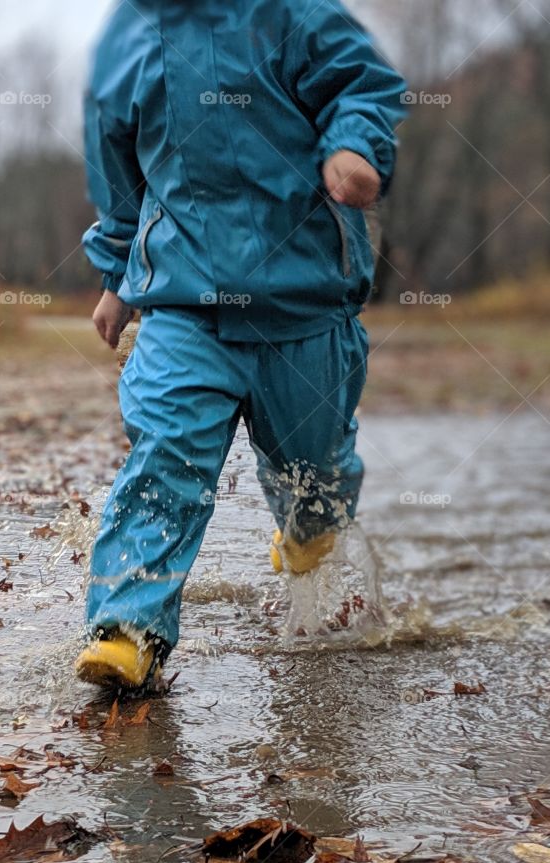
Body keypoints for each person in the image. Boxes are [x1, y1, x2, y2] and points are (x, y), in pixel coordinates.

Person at [76, 0, 408, 689]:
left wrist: (356, 145)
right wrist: (116, 273)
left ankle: (306, 525)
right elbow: (116, 164)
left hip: (304, 300)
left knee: (313, 475)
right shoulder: (129, 34)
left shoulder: (296, 14)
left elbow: (363, 82)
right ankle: (127, 627)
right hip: (183, 302)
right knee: (166, 452)